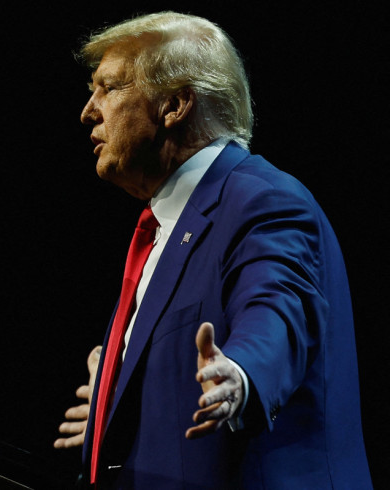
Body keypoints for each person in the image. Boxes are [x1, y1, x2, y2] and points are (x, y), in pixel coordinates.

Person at [54, 11, 372, 489]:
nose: (88, 110)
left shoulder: (262, 199)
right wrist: (114, 405)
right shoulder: (166, 225)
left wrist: (240, 376)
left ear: (175, 104)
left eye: (110, 88)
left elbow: (278, 313)